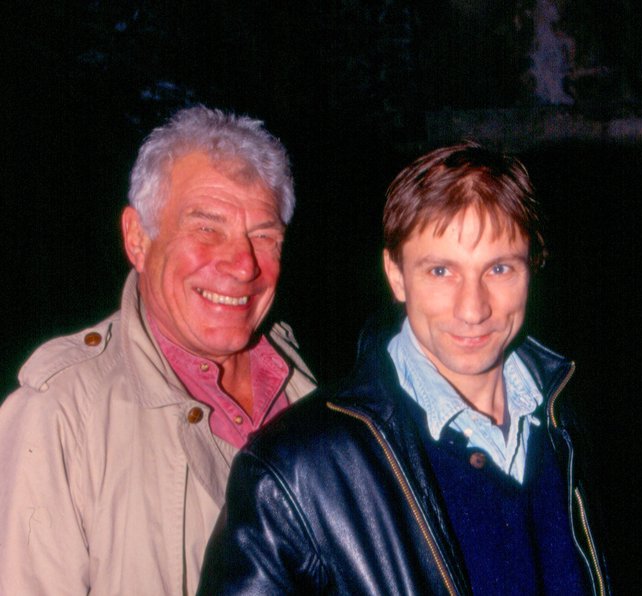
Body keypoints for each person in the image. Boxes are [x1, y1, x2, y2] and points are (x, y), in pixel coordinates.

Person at [199, 142, 611, 595]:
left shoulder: (574, 421)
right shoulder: (293, 470)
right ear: (396, 275)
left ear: (532, 268)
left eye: (499, 269)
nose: (472, 309)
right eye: (440, 271)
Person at [0, 106, 316, 594]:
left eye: (264, 236)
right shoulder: (61, 414)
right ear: (137, 239)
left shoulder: (312, 391)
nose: (242, 265)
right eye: (207, 228)